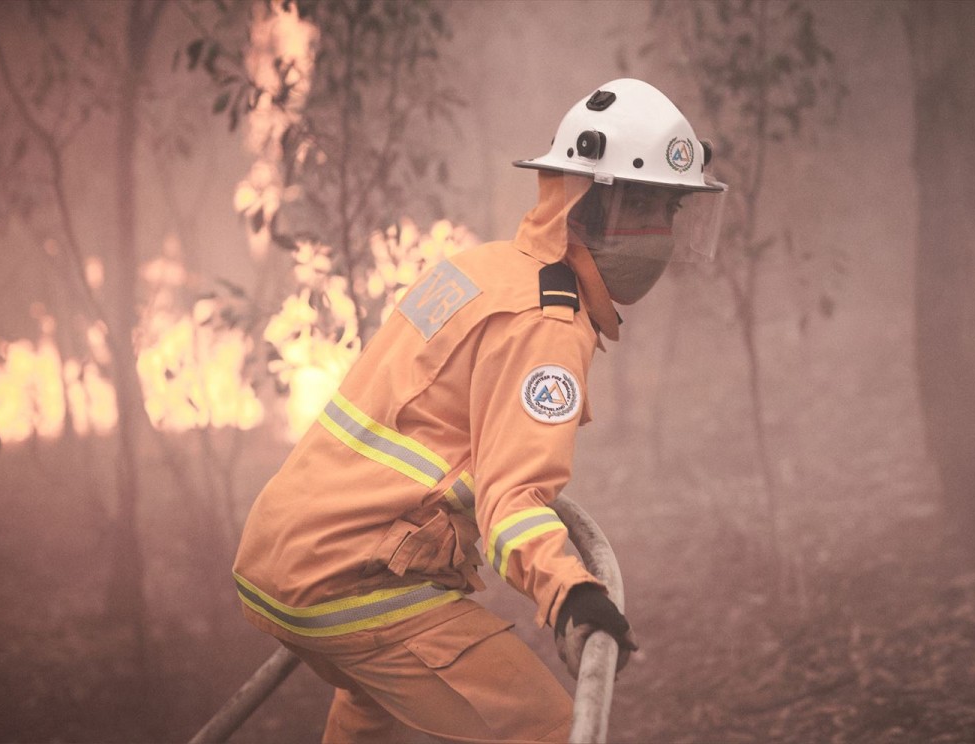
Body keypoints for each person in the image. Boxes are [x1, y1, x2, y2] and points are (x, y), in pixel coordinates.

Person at [233, 77, 727, 743]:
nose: (664, 239)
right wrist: (572, 596)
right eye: (657, 212)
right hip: (353, 581)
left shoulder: (489, 270)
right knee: (549, 731)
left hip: (290, 553)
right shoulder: (548, 325)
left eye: (673, 215)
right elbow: (512, 498)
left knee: (372, 717)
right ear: (598, 206)